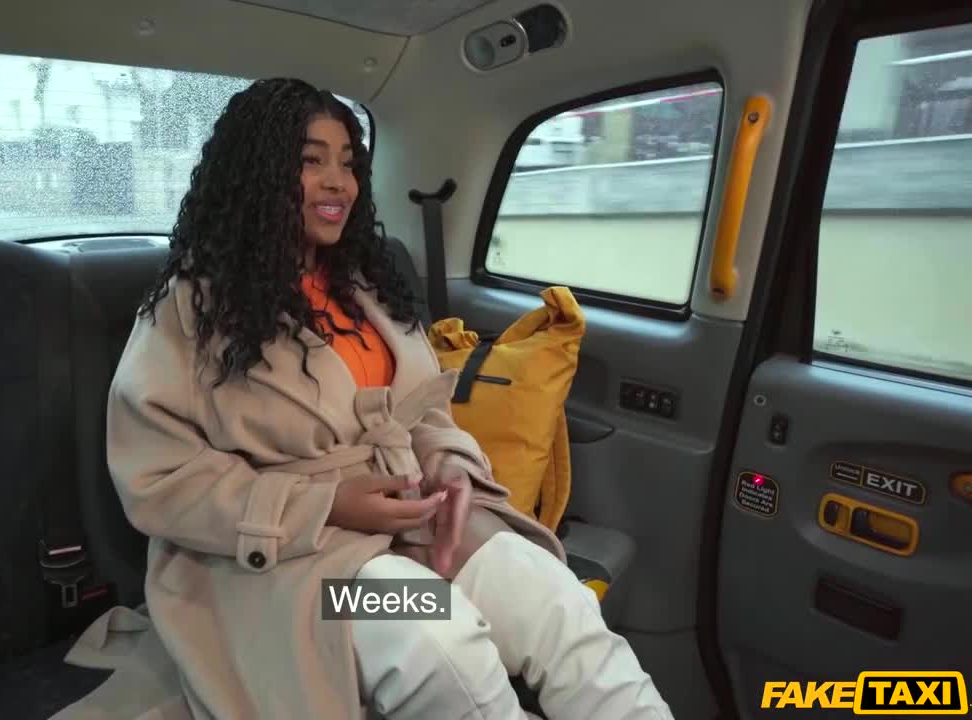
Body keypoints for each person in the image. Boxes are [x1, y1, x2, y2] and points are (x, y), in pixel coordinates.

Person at [52, 77, 673, 720]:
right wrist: (326, 505)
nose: (338, 184)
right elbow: (161, 478)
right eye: (311, 161)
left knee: (556, 600)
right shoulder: (192, 309)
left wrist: (452, 467)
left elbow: (423, 413)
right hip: (290, 562)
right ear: (256, 175)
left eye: (348, 164)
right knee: (436, 635)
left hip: (412, 521)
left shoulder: (368, 287)